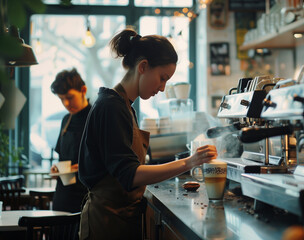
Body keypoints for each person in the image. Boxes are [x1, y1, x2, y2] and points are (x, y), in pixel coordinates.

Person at [78, 28, 218, 240]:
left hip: (120, 219)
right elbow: (129, 174)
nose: (162, 88)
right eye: (162, 78)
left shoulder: (124, 106)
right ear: (143, 66)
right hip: (106, 224)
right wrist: (190, 162)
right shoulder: (111, 107)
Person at [50, 68, 91, 213]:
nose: (66, 103)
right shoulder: (66, 120)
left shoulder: (94, 118)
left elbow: (102, 161)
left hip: (85, 197)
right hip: (62, 195)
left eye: (69, 97)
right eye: (61, 99)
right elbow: (63, 158)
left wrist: (81, 167)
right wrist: (56, 169)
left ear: (83, 90)